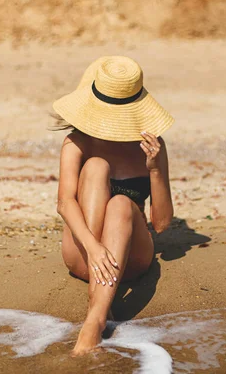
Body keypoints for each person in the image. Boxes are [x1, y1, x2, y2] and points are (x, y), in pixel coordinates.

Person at [52, 56, 175, 355]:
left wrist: (155, 169)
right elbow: (65, 203)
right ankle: (100, 311)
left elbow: (160, 224)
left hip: (128, 259)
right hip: (83, 253)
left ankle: (95, 317)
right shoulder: (77, 143)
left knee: (121, 203)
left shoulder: (151, 145)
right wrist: (94, 249)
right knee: (95, 167)